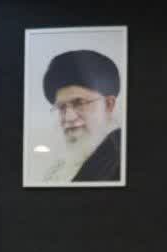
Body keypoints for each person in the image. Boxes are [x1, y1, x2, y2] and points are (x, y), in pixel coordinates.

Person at [40, 49, 122, 183]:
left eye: (79, 103)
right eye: (61, 107)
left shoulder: (119, 158)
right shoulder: (58, 169)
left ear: (108, 105)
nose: (68, 118)